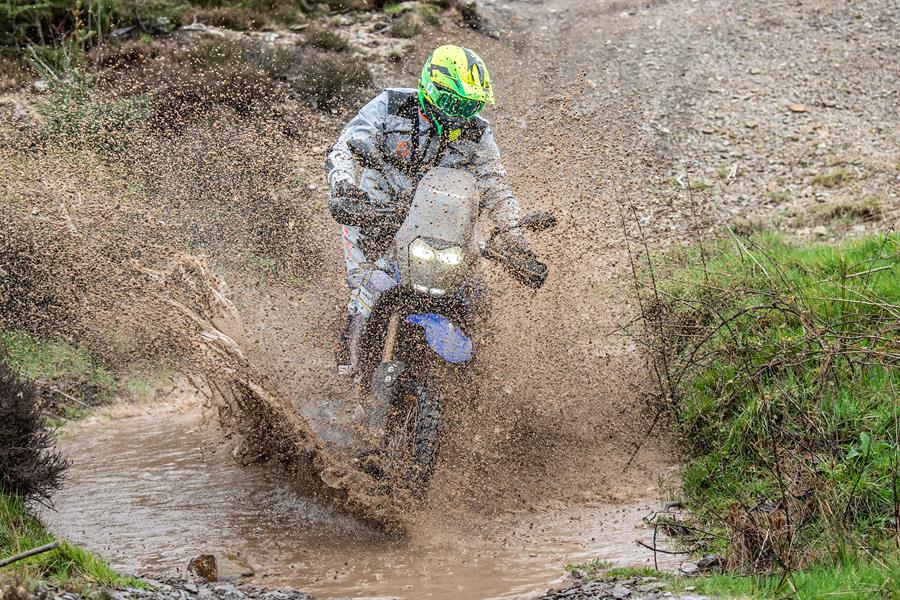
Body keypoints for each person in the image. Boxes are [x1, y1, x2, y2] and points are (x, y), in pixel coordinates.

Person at [325, 44, 547, 374]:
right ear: (430, 89)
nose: (460, 114)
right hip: (374, 216)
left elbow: (496, 187)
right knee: (365, 283)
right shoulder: (391, 104)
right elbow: (345, 146)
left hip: (439, 231)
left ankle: (475, 379)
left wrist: (517, 243)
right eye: (453, 103)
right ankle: (347, 366)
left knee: (476, 295)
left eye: (469, 106)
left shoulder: (478, 132)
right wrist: (343, 187)